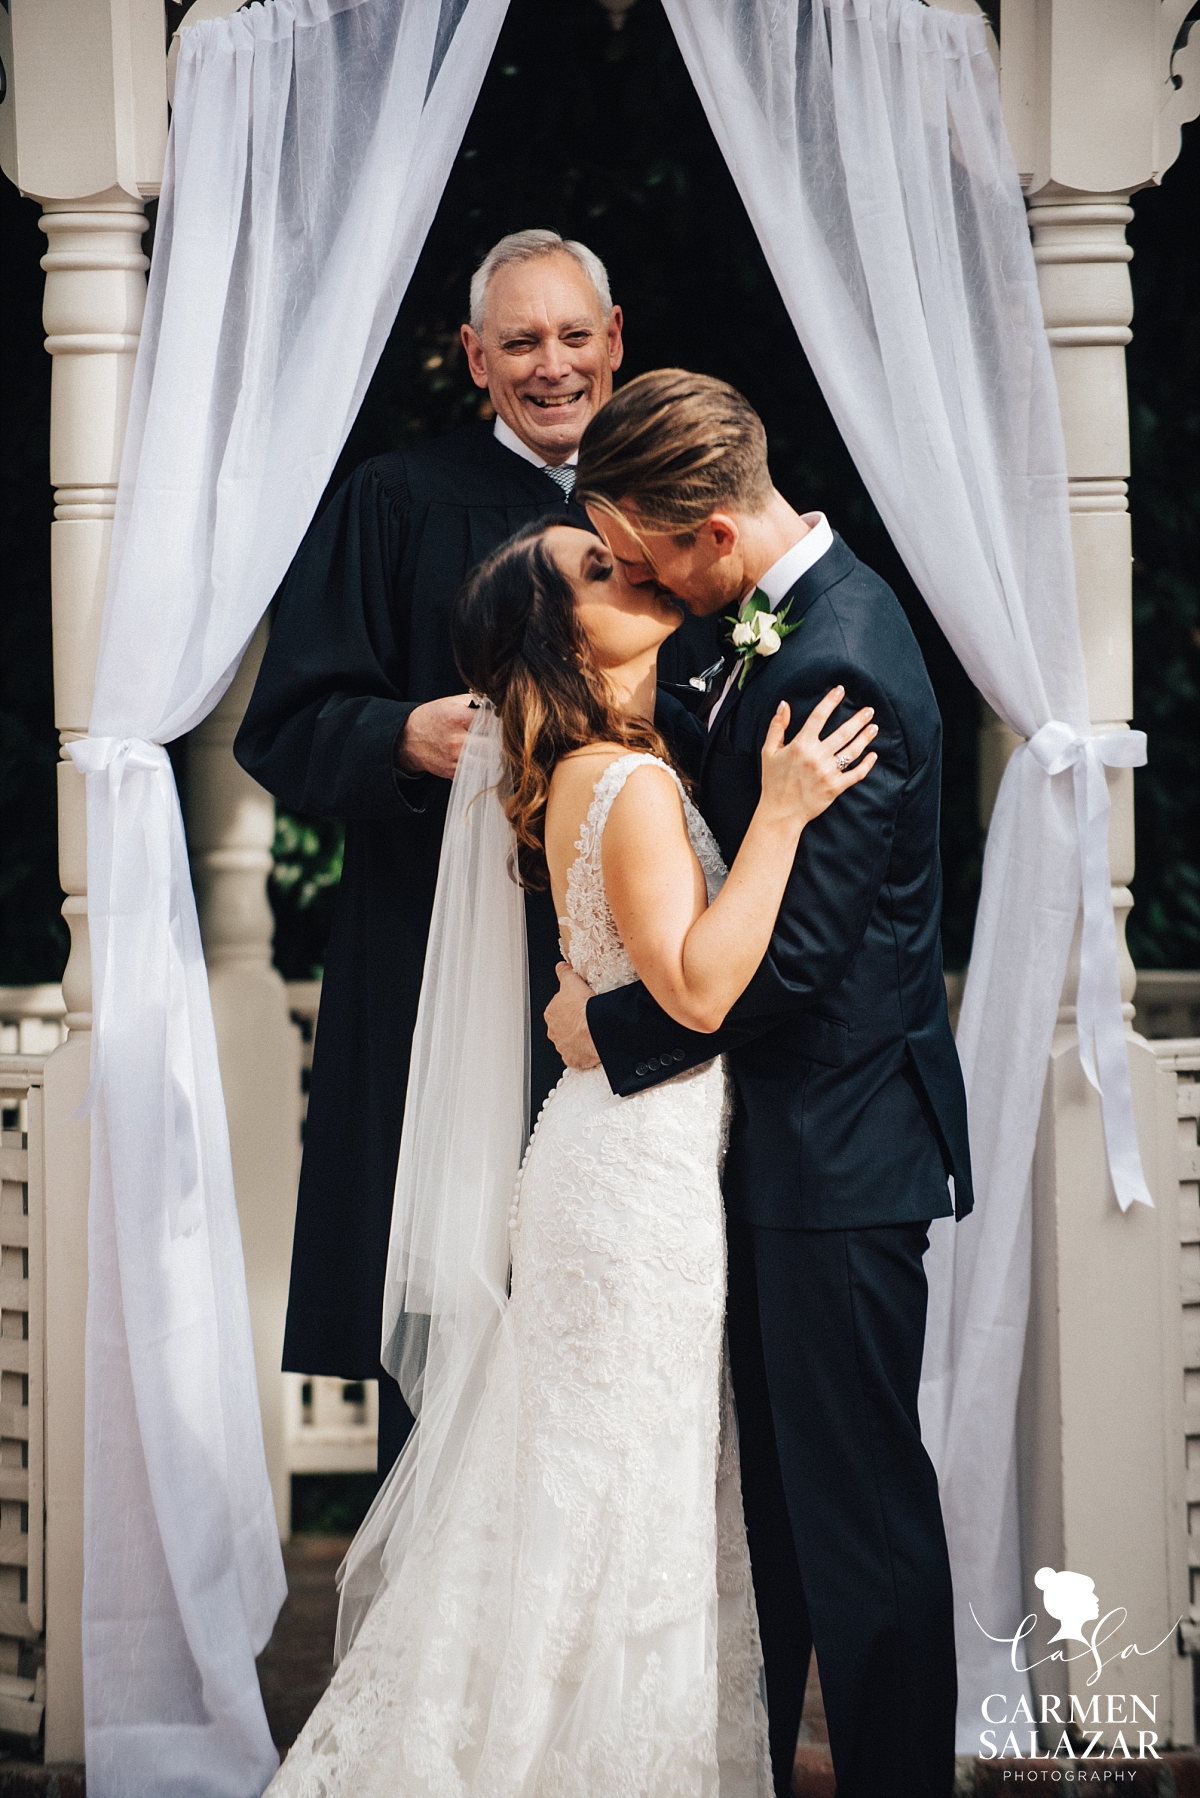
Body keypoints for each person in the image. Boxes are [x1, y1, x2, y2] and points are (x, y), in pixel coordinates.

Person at [264, 516, 876, 1797]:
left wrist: (597, 1007)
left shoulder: (611, 768)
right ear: (560, 637)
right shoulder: (631, 782)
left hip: (620, 1166)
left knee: (594, 1498)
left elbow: (627, 977)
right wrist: (777, 817)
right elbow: (702, 991)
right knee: (616, 1504)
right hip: (631, 1192)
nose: (631, 564)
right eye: (596, 570)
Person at [544, 369, 974, 1798]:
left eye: (648, 550)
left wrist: (617, 1033)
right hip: (769, 1152)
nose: (644, 579)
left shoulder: (835, 653)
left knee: (860, 1528)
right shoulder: (765, 622)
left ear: (713, 537)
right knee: (778, 1523)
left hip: (840, 1155)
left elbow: (792, 962)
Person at [234, 234, 721, 1477]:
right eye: (519, 342)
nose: (550, 366)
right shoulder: (396, 500)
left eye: (572, 336)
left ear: (617, 336)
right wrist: (400, 734)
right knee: (450, 1301)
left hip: (635, 974)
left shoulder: (678, 497)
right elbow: (282, 725)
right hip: (435, 972)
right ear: (474, 359)